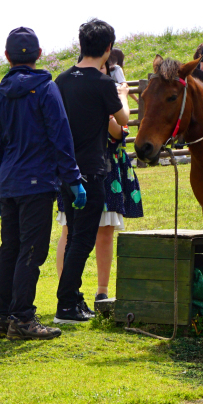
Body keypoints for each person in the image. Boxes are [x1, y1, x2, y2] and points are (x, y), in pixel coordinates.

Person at [0, 27, 86, 340]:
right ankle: (23, 319)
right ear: (40, 55)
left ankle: (1, 319)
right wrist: (74, 180)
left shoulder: (0, 95)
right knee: (31, 251)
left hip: (9, 182)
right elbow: (61, 136)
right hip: (37, 182)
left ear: (7, 57)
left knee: (10, 248)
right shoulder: (45, 89)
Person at [53, 19, 130, 324]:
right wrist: (122, 92)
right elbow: (123, 119)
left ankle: (72, 299)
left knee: (73, 237)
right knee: (83, 241)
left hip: (65, 171)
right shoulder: (103, 84)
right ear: (108, 49)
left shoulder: (61, 80)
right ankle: (66, 306)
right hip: (92, 170)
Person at [55, 61, 143, 302]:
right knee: (84, 234)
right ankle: (81, 291)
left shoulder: (73, 86)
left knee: (85, 233)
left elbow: (118, 130)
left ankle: (87, 289)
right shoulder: (99, 92)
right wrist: (122, 95)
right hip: (98, 168)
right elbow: (118, 129)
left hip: (87, 168)